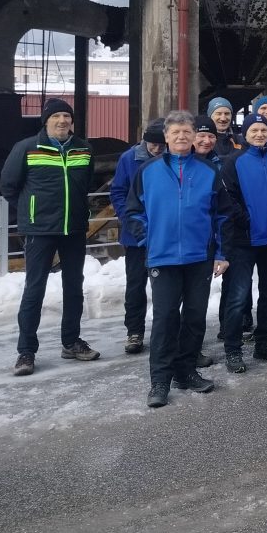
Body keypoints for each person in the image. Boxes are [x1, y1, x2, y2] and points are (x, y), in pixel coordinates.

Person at [125, 110, 227, 408]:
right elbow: (133, 212)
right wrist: (148, 238)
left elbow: (222, 215)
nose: (182, 136)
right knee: (165, 319)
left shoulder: (209, 171)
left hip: (199, 257)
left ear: (194, 136)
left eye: (187, 132)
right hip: (163, 258)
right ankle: (160, 380)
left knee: (194, 318)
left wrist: (221, 253)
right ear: (166, 137)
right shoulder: (148, 171)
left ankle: (186, 371)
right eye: (175, 132)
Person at [1, 97, 99, 376]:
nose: (62, 121)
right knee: (35, 289)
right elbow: (9, 186)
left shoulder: (83, 148)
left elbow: (85, 183)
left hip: (74, 229)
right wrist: (31, 213)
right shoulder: (27, 148)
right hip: (39, 231)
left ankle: (71, 342)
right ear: (46, 121)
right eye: (56, 116)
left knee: (74, 287)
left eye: (66, 116)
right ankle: (26, 351)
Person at [217, 113, 267, 374]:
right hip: (244, 239)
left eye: (263, 130)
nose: (259, 134)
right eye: (254, 130)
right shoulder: (233, 162)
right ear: (245, 134)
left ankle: (263, 342)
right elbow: (228, 199)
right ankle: (233, 349)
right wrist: (248, 220)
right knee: (238, 297)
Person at [109, 117, 165, 355]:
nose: (157, 149)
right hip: (135, 235)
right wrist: (129, 219)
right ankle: (134, 331)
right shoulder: (129, 158)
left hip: (164, 233)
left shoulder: (172, 158)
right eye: (153, 145)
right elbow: (118, 192)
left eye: (161, 145)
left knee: (166, 286)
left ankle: (167, 331)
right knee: (135, 285)